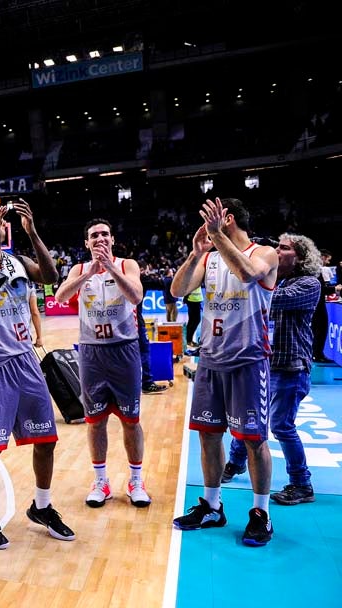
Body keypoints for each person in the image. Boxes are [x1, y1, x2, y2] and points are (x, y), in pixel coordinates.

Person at [0, 203, 75, 550]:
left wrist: (32, 232)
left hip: (26, 360)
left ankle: (42, 506)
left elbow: (51, 277)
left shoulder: (19, 261)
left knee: (47, 438)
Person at [171, 197, 278, 547]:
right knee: (208, 435)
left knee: (253, 440)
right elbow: (177, 290)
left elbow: (247, 274)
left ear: (227, 218)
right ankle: (212, 506)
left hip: (248, 360)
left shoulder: (265, 253)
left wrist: (217, 236)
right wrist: (195, 253)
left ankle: (260, 513)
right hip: (210, 360)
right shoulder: (209, 257)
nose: (206, 224)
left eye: (211, 218)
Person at [55, 219, 151, 510]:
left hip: (124, 350)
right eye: (94, 235)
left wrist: (109, 267)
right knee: (95, 421)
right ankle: (100, 481)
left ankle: (136, 481)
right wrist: (89, 273)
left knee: (131, 420)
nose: (100, 238)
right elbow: (60, 297)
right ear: (86, 243)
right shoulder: (79, 269)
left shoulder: (127, 265)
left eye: (105, 234)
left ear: (112, 239)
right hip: (92, 353)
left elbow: (136, 296)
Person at [223, 233, 321, 506]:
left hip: (291, 366)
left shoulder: (308, 284)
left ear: (300, 257)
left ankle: (302, 484)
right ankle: (235, 463)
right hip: (263, 362)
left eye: (284, 248)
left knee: (281, 425)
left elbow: (269, 297)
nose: (276, 250)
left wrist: (257, 269)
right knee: (249, 419)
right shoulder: (279, 280)